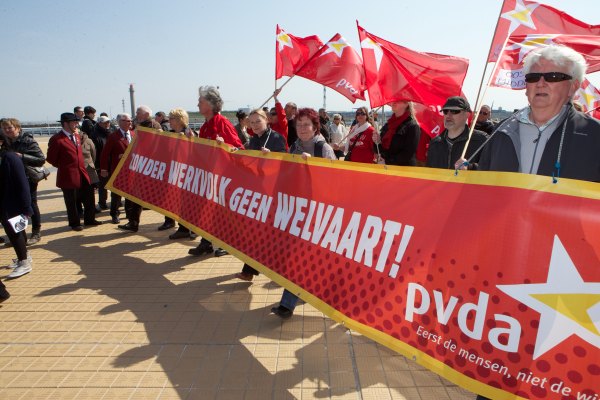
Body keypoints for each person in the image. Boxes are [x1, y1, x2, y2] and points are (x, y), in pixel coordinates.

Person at [477, 45, 600, 181]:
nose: (540, 83)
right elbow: (483, 186)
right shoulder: (502, 130)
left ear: (573, 87)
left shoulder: (595, 135)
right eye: (533, 77)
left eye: (553, 77)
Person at [270, 108, 336, 318]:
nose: (302, 128)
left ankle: (293, 300)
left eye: (306, 124)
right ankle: (289, 303)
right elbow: (285, 175)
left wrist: (315, 167)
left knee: (311, 256)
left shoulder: (322, 147)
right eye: (298, 125)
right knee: (296, 256)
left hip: (319, 212)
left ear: (315, 126)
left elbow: (334, 179)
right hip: (298, 210)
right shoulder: (294, 148)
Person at [188, 86, 243, 257]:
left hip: (224, 178)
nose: (197, 104)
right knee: (207, 210)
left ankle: (228, 244)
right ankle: (206, 243)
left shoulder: (222, 123)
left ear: (210, 104)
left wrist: (225, 146)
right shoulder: (205, 127)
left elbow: (238, 149)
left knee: (225, 213)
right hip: (210, 176)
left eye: (201, 101)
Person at [234, 109, 287, 281]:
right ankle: (249, 270)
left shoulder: (277, 138)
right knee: (257, 232)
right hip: (259, 191)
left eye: (258, 121)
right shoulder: (254, 139)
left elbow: (286, 163)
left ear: (267, 121)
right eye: (252, 122)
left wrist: (271, 157)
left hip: (274, 192)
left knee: (267, 234)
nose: (255, 125)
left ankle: (256, 269)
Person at [46, 113, 101, 231]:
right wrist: (66, 167)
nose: (77, 124)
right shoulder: (57, 139)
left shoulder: (76, 136)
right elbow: (51, 159)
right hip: (68, 176)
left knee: (89, 197)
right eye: (74, 122)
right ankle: (74, 223)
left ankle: (90, 219)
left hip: (83, 172)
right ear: (65, 123)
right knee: (71, 201)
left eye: (77, 122)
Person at [117, 106, 162, 232]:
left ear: (147, 113)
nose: (136, 114)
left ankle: (134, 223)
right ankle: (133, 222)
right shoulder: (141, 125)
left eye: (138, 112)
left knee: (141, 195)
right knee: (136, 195)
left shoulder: (153, 126)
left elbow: (154, 146)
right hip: (141, 165)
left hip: (148, 166)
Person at [0, 118, 46, 245]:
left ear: (18, 128)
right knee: (15, 208)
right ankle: (20, 237)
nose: (7, 130)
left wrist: (22, 156)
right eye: (5, 128)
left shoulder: (27, 140)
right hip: (11, 179)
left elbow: (41, 159)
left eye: (10, 128)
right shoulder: (4, 143)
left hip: (27, 178)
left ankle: (36, 232)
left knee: (31, 204)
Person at [158, 108, 198, 240]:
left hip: (186, 174)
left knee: (187, 203)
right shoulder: (170, 133)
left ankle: (189, 228)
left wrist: (189, 140)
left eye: (172, 118)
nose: (169, 121)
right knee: (179, 202)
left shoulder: (189, 133)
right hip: (175, 173)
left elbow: (196, 149)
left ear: (179, 119)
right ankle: (184, 227)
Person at [0, 135, 33, 279]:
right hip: (3, 203)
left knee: (15, 233)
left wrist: (27, 207)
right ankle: (25, 256)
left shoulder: (10, 158)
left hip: (13, 203)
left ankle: (24, 263)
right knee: (15, 232)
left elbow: (23, 184)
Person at [425, 96, 487, 170]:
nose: (448, 115)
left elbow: (493, 169)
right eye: (445, 111)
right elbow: (429, 173)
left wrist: (470, 167)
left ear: (467, 115)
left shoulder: (482, 140)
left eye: (454, 111)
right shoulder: (435, 143)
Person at [100, 114, 133, 225]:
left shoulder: (134, 134)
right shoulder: (113, 136)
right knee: (116, 194)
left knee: (130, 194)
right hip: (117, 170)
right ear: (120, 122)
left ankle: (129, 214)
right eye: (126, 121)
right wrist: (104, 168)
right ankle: (114, 214)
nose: (129, 122)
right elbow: (105, 154)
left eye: (130, 120)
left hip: (131, 170)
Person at [373, 101, 421, 166]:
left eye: (398, 101)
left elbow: (408, 154)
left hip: (403, 171)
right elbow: (379, 150)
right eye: (393, 100)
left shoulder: (412, 126)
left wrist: (387, 162)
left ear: (406, 104)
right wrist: (377, 142)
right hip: (386, 169)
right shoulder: (388, 125)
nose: (394, 103)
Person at [77, 128, 100, 219]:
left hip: (89, 171)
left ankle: (90, 217)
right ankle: (79, 213)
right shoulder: (70, 141)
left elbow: (94, 154)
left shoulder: (88, 141)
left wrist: (90, 164)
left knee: (90, 195)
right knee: (77, 195)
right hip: (76, 172)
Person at [90, 115, 112, 211]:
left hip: (112, 163)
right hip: (101, 165)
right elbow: (94, 152)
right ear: (99, 123)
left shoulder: (110, 133)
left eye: (108, 122)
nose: (107, 124)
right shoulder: (94, 135)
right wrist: (98, 166)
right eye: (105, 122)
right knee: (102, 185)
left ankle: (117, 202)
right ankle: (102, 203)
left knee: (114, 184)